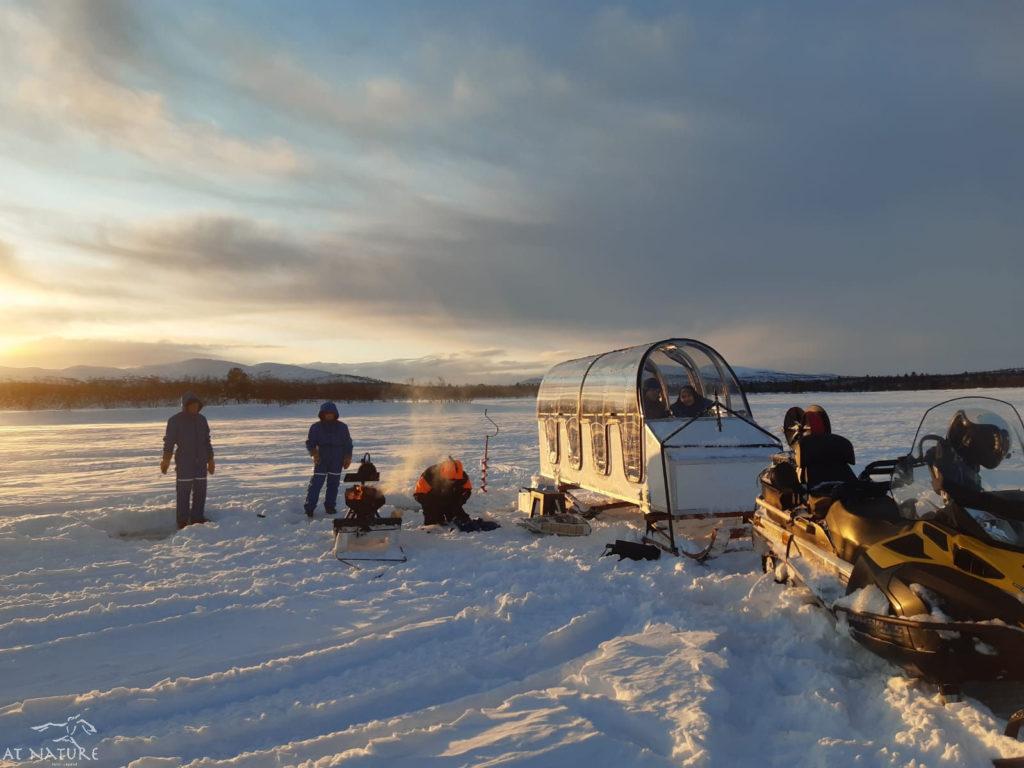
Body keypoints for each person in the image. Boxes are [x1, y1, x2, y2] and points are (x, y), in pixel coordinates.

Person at [161, 391, 215, 529]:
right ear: (185, 406)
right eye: (192, 405)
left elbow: (206, 441)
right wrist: (166, 459)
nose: (194, 408)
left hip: (201, 462)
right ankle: (182, 521)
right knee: (183, 492)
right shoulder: (175, 420)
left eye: (197, 405)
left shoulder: (202, 420)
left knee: (200, 491)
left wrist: (210, 459)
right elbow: (169, 442)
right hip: (185, 462)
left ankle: (198, 518)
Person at [304, 402, 353, 517]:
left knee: (333, 484)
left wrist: (347, 457)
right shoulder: (316, 427)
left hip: (337, 458)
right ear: (322, 414)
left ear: (335, 414)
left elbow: (348, 443)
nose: (329, 416)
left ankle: (330, 506)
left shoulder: (342, 427)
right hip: (322, 458)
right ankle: (309, 507)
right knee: (316, 484)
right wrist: (314, 453)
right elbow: (310, 442)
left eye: (331, 413)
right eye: (327, 414)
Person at [414, 457, 473, 525]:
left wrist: (460, 501)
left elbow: (467, 491)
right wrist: (436, 504)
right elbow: (419, 495)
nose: (452, 482)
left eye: (455, 480)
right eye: (450, 480)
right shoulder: (429, 475)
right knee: (434, 523)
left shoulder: (462, 476)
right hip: (432, 500)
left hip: (452, 500)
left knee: (462, 520)